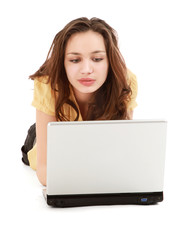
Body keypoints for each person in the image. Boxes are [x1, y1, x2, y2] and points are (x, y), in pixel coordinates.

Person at [23, 17, 138, 186]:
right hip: (44, 136)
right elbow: (45, 172)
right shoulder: (47, 82)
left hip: (94, 148)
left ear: (109, 61)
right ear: (63, 63)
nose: (86, 70)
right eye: (75, 60)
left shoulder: (126, 82)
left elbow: (120, 152)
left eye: (97, 59)